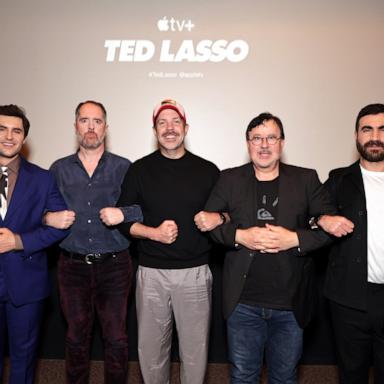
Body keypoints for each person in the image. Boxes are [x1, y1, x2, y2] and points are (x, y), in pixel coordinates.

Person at [203, 112, 336, 383]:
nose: (264, 145)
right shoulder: (229, 179)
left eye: (271, 138)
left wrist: (294, 239)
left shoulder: (306, 179)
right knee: (242, 376)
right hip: (242, 304)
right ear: (248, 143)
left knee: (285, 377)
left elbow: (330, 228)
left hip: (290, 304)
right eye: (257, 138)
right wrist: (240, 236)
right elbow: (208, 222)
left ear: (282, 143)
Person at [117, 99, 223, 384]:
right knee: (151, 353)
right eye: (162, 123)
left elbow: (227, 213)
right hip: (151, 273)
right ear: (155, 131)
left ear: (186, 128)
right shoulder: (139, 170)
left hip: (195, 274)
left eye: (175, 122)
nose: (169, 128)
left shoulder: (208, 170)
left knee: (195, 352)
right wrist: (153, 233)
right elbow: (123, 221)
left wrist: (219, 218)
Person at [45, 100, 142, 384]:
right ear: (75, 126)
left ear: (106, 128)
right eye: (85, 120)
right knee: (76, 338)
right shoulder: (58, 169)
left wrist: (121, 212)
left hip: (114, 266)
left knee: (116, 339)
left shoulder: (125, 167)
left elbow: (141, 208)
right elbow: (41, 211)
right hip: (72, 267)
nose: (91, 127)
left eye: (97, 121)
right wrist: (48, 217)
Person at [0, 105, 68, 384]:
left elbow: (61, 228)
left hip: (26, 285)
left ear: (24, 138)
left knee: (23, 363)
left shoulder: (43, 178)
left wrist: (18, 241)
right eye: (2, 129)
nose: (9, 136)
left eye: (16, 131)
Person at [317, 103, 384, 384]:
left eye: (382, 129)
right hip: (349, 299)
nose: (374, 136)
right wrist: (322, 218)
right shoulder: (337, 180)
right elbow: (310, 215)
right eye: (367, 129)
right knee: (351, 374)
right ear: (356, 135)